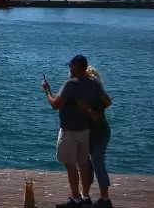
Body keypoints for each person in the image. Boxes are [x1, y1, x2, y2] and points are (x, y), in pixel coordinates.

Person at [42, 54, 105, 208]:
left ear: (76, 67)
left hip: (69, 131)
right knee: (83, 164)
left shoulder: (70, 84)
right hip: (85, 131)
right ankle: (85, 196)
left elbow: (55, 104)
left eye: (71, 65)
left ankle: (75, 199)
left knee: (70, 165)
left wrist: (47, 91)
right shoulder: (94, 84)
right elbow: (105, 101)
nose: (69, 68)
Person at [79, 66, 114, 207]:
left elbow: (107, 102)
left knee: (98, 164)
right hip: (86, 133)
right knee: (86, 165)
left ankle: (105, 199)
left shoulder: (97, 93)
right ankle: (85, 195)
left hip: (99, 133)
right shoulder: (83, 93)